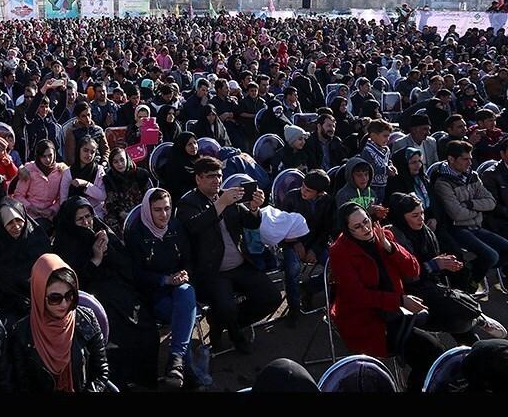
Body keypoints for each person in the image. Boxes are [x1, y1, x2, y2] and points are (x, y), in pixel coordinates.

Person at [330, 201, 445, 392]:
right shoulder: (339, 251)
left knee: (433, 352)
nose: (366, 229)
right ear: (347, 230)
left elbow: (413, 269)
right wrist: (399, 301)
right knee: (432, 353)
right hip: (368, 320)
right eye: (357, 227)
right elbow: (358, 296)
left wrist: (390, 247)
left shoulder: (383, 234)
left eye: (366, 221)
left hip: (396, 312)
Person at [176, 156, 281, 354]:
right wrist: (220, 205)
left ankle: (223, 323)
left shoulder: (226, 197)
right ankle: (235, 334)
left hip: (240, 264)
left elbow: (250, 223)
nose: (217, 180)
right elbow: (194, 227)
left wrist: (254, 209)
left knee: (272, 297)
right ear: (198, 179)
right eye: (210, 176)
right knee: (226, 306)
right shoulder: (188, 203)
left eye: (219, 176)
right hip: (213, 270)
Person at [388, 192, 506, 343]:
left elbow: (436, 258)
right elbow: (406, 274)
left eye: (422, 213)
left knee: (463, 323)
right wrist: (432, 266)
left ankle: (474, 330)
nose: (421, 218)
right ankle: (477, 317)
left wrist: (447, 264)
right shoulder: (394, 237)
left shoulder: (425, 232)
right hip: (410, 293)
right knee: (455, 317)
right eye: (415, 215)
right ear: (401, 217)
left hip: (431, 284)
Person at [125, 188, 197, 389]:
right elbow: (136, 274)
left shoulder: (176, 228)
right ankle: (186, 369)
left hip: (179, 289)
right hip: (153, 295)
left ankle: (175, 361)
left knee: (186, 292)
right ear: (148, 210)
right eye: (157, 210)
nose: (163, 215)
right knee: (183, 314)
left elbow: (188, 260)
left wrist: (184, 274)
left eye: (167, 208)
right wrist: (165, 280)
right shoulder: (136, 235)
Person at [10, 253, 110, 392]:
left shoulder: (86, 320)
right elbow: (21, 383)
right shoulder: (22, 333)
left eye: (70, 295)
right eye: (55, 298)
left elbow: (101, 372)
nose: (64, 304)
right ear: (39, 295)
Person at [433, 140, 508, 291]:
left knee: (505, 249)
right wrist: (478, 207)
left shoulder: (472, 176)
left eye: (470, 158)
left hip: (476, 226)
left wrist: (470, 204)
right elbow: (457, 214)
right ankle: (469, 284)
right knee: (491, 256)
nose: (469, 162)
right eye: (465, 159)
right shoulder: (443, 183)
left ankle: (469, 272)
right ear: (451, 159)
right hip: (457, 229)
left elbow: (491, 202)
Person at [0, 198, 51, 329]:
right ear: (2, 224)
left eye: (19, 220)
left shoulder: (37, 238)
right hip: (7, 300)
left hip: (39, 297)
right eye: (9, 223)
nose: (16, 226)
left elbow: (48, 269)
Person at [280, 170, 333, 324]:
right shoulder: (291, 197)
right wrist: (295, 243)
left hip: (316, 243)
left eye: (308, 190)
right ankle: (294, 309)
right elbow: (282, 225)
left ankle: (309, 288)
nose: (303, 191)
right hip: (292, 243)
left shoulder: (327, 201)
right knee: (292, 270)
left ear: (320, 193)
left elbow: (326, 229)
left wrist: (315, 249)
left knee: (335, 264)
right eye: (303, 187)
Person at [13, 140, 67, 222]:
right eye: (43, 156)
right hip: (30, 214)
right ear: (38, 156)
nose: (48, 159)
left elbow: (61, 197)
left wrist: (52, 209)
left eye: (50, 155)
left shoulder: (60, 170)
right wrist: (31, 207)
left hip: (51, 215)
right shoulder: (29, 170)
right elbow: (18, 195)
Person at [102, 147, 153, 233]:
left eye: (122, 160)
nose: (120, 164)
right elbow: (110, 203)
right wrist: (121, 213)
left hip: (143, 210)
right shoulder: (109, 179)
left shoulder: (140, 174)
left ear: (127, 159)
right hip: (122, 213)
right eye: (115, 162)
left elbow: (151, 195)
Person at [59, 136, 107, 218]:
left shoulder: (98, 170)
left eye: (92, 152)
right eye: (85, 150)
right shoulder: (69, 172)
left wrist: (86, 184)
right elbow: (63, 200)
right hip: (74, 213)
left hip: (96, 213)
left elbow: (102, 196)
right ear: (78, 150)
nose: (89, 155)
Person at [359, 119, 397, 205]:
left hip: (383, 185)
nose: (387, 139)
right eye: (385, 136)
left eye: (388, 136)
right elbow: (369, 168)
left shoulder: (386, 149)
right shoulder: (367, 150)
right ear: (373, 136)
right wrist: (386, 170)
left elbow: (388, 160)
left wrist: (391, 166)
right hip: (371, 186)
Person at [158, 132, 199, 204]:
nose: (194, 146)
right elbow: (176, 188)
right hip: (180, 201)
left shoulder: (198, 160)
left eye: (195, 143)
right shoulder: (174, 164)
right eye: (189, 144)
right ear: (182, 146)